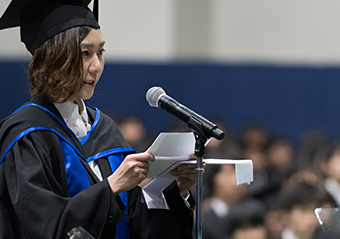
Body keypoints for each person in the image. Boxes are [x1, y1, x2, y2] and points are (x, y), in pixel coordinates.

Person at [0, 1, 197, 238]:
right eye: (85, 53)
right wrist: (111, 186)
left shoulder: (104, 130)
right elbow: (40, 227)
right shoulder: (27, 136)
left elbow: (132, 224)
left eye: (100, 52)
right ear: (54, 58)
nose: (96, 66)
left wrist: (176, 192)